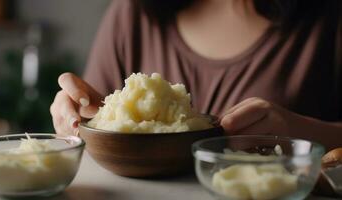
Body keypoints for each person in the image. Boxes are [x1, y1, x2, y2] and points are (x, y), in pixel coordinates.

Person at [50, 0, 341, 150]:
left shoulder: (329, 16)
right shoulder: (131, 13)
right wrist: (74, 119)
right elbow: (89, 124)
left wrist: (303, 134)